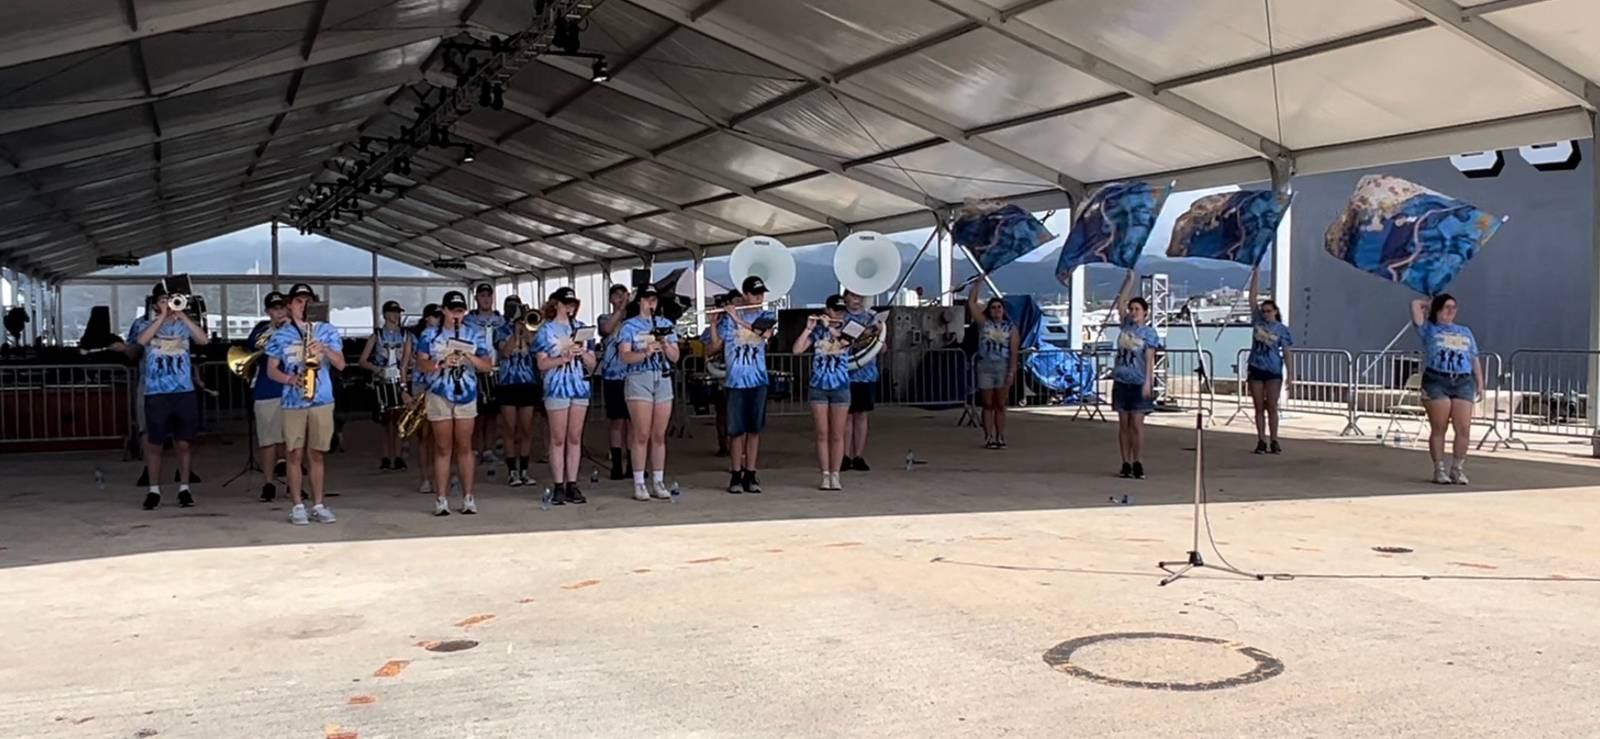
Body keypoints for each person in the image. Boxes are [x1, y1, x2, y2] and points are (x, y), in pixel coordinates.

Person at [265, 283, 346, 525]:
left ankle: (319, 504)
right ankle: (297, 504)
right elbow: (271, 370)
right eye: (299, 301)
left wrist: (324, 349)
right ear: (290, 305)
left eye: (307, 300)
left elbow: (341, 364)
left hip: (321, 399)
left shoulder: (327, 330)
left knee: (318, 453)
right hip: (293, 400)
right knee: (293, 453)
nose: (303, 305)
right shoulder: (281, 335)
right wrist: (290, 379)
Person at [134, 281, 210, 510]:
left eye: (171, 299)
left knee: (184, 442)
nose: (168, 304)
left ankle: (184, 487)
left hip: (183, 391)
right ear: (155, 304)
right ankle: (154, 490)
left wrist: (182, 315)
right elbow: (141, 341)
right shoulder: (145, 324)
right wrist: (161, 318)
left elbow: (203, 339)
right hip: (156, 392)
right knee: (155, 442)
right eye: (163, 300)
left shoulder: (184, 325)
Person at [417, 291, 494, 515]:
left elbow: (487, 366)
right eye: (452, 311)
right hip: (439, 393)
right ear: (444, 310)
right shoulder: (430, 334)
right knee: (442, 447)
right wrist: (441, 363)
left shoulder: (474, 333)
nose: (456, 315)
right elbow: (421, 364)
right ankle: (441, 498)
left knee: (465, 446)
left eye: (460, 311)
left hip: (466, 394)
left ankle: (468, 497)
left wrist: (469, 356)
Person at [707, 276, 777, 494]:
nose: (759, 297)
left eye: (761, 294)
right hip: (735, 381)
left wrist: (737, 318)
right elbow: (714, 347)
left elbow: (764, 334)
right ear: (745, 295)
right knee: (736, 431)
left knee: (754, 430)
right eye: (755, 294)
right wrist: (713, 325)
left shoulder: (766, 316)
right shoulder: (729, 319)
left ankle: (751, 473)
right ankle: (736, 474)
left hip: (758, 380)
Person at [1412, 293, 1484, 485]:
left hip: (1462, 380)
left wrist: (1480, 382)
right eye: (1446, 307)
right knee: (1440, 427)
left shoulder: (1464, 331)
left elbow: (1474, 357)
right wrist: (1429, 302)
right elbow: (1415, 306)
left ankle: (1457, 468)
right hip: (1437, 379)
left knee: (1463, 428)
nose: (1451, 311)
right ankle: (1439, 468)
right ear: (1437, 310)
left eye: (1454, 307)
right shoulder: (1429, 329)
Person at [618, 284, 681, 501]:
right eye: (647, 298)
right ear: (640, 301)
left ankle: (658, 480)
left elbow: (675, 357)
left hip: (662, 378)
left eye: (654, 299)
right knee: (641, 433)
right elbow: (624, 356)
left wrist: (664, 344)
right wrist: (644, 352)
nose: (651, 302)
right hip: (639, 377)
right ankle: (638, 482)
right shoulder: (629, 326)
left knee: (659, 434)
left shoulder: (665, 324)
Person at [535, 287, 597, 504]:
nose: (570, 307)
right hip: (556, 386)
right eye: (566, 303)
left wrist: (584, 353)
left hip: (579, 385)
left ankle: (573, 483)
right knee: (558, 437)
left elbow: (592, 364)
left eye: (572, 303)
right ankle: (558, 484)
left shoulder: (581, 328)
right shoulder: (546, 330)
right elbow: (541, 363)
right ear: (557, 304)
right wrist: (563, 358)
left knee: (574, 436)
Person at [793, 294, 851, 491]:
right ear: (827, 309)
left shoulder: (849, 328)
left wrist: (829, 327)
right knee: (822, 433)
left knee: (837, 434)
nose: (838, 313)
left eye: (841, 310)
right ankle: (825, 474)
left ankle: (836, 474)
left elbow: (844, 342)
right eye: (835, 309)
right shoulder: (817, 331)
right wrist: (808, 328)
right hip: (818, 385)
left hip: (841, 386)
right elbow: (797, 350)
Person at [1110, 269, 1163, 479]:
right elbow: (1120, 303)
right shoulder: (1125, 325)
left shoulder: (1149, 333)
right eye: (1132, 309)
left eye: (1137, 309)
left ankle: (1138, 460)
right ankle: (1125, 461)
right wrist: (1129, 280)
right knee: (1123, 423)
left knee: (1137, 423)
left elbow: (1150, 358)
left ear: (1145, 312)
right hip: (1122, 380)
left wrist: (1148, 382)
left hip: (1139, 380)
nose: (1133, 312)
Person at [245, 292, 290, 502]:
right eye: (274, 309)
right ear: (267, 311)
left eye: (281, 308)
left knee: (292, 440)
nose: (278, 312)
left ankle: (293, 483)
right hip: (266, 389)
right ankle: (269, 483)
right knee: (268, 440)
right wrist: (274, 330)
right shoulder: (262, 329)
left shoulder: (295, 327)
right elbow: (252, 346)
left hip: (291, 390)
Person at [359, 300, 413, 471]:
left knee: (399, 420)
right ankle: (385, 456)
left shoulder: (406, 335)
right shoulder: (376, 335)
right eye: (392, 312)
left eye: (398, 312)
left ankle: (397, 456)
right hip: (382, 382)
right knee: (384, 421)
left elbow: (409, 359)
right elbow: (362, 361)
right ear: (385, 315)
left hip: (399, 379)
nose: (396, 315)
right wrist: (377, 369)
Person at [1246, 267, 1294, 454]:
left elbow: (1287, 351)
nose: (1265, 314)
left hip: (1273, 370)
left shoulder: (1281, 329)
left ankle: (1274, 439)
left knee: (1272, 406)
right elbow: (1252, 298)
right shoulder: (1257, 321)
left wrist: (1291, 374)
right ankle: (1261, 439)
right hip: (1256, 367)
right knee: (1258, 406)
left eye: (1268, 311)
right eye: (1264, 311)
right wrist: (1256, 273)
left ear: (1275, 311)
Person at [967, 280, 1020, 449]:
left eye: (999, 307)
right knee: (987, 404)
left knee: (1000, 404)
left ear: (1003, 310)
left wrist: (1012, 371)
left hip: (1002, 367)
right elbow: (972, 303)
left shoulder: (1011, 328)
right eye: (993, 307)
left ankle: (1000, 435)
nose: (996, 310)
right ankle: (988, 436)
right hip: (985, 367)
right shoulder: (984, 324)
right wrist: (979, 283)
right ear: (989, 311)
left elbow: (1014, 351)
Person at [495, 297, 540, 487]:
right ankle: (512, 471)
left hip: (527, 382)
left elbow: (535, 348)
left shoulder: (530, 328)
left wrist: (525, 330)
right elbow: (505, 352)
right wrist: (515, 332)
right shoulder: (500, 330)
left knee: (526, 429)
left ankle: (524, 470)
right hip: (507, 383)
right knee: (509, 428)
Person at [464, 283, 506, 478]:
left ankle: (489, 449)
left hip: (497, 369)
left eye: (489, 295)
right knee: (476, 413)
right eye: (482, 296)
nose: (486, 299)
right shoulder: (469, 320)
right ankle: (474, 449)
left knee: (492, 414)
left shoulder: (501, 320)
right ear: (476, 298)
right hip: (476, 370)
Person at [598, 284, 633, 480]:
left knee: (632, 422)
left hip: (632, 374)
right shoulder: (604, 318)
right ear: (611, 299)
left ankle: (633, 463)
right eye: (616, 296)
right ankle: (617, 464)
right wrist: (620, 310)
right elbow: (607, 329)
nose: (620, 299)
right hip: (613, 375)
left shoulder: (634, 320)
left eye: (623, 295)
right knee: (616, 421)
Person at [406, 304, 442, 494]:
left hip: (437, 384)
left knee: (439, 435)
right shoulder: (414, 336)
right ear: (427, 318)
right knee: (423, 435)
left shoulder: (443, 334)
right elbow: (406, 363)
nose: (437, 319)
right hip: (420, 384)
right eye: (435, 316)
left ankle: (438, 477)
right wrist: (404, 388)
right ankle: (425, 477)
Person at [841, 290, 879, 472]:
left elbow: (883, 347)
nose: (857, 300)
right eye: (853, 296)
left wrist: (877, 334)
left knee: (861, 415)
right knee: (846, 416)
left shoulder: (872, 319)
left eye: (860, 296)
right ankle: (844, 455)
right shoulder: (840, 317)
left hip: (867, 373)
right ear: (845, 297)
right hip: (846, 373)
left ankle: (858, 455)